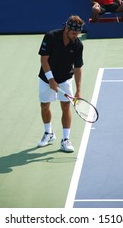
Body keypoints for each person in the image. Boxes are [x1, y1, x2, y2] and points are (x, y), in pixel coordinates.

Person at [37, 15, 85, 152]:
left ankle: (65, 139)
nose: (76, 36)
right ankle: (49, 133)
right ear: (66, 29)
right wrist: (51, 79)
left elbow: (77, 68)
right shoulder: (50, 36)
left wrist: (78, 91)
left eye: (78, 34)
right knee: (45, 105)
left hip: (65, 79)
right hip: (46, 78)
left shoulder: (78, 45)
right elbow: (44, 60)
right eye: (74, 33)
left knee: (65, 106)